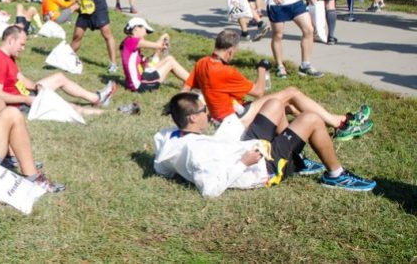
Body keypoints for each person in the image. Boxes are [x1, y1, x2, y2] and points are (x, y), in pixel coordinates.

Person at [154, 92, 377, 197]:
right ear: (192, 118)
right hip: (261, 167)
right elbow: (210, 189)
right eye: (204, 110)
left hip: (243, 146)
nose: (208, 112)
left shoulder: (172, 140)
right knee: (311, 119)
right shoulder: (194, 151)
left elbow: (160, 166)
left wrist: (173, 171)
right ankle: (336, 175)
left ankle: (297, 162)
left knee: (274, 104)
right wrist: (242, 163)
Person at [183, 29, 373, 142]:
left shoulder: (202, 63)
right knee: (291, 92)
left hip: (222, 118)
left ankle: (336, 122)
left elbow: (187, 86)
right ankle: (340, 124)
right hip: (234, 120)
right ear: (231, 51)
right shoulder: (226, 71)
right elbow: (259, 92)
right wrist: (261, 69)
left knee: (289, 106)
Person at [0, 25, 116, 115]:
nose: (23, 49)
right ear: (10, 40)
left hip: (25, 95)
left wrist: (37, 87)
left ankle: (97, 98)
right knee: (70, 108)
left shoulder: (9, 57)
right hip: (19, 105)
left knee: (59, 77)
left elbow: (21, 78)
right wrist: (25, 99)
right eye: (21, 44)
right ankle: (112, 113)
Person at [120, 17, 189, 93]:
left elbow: (149, 62)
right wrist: (163, 38)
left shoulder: (128, 41)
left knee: (169, 58)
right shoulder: (132, 41)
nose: (146, 33)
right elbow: (158, 45)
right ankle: (193, 82)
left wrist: (159, 47)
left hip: (140, 78)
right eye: (145, 30)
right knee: (171, 63)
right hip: (140, 85)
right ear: (136, 28)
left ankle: (191, 80)